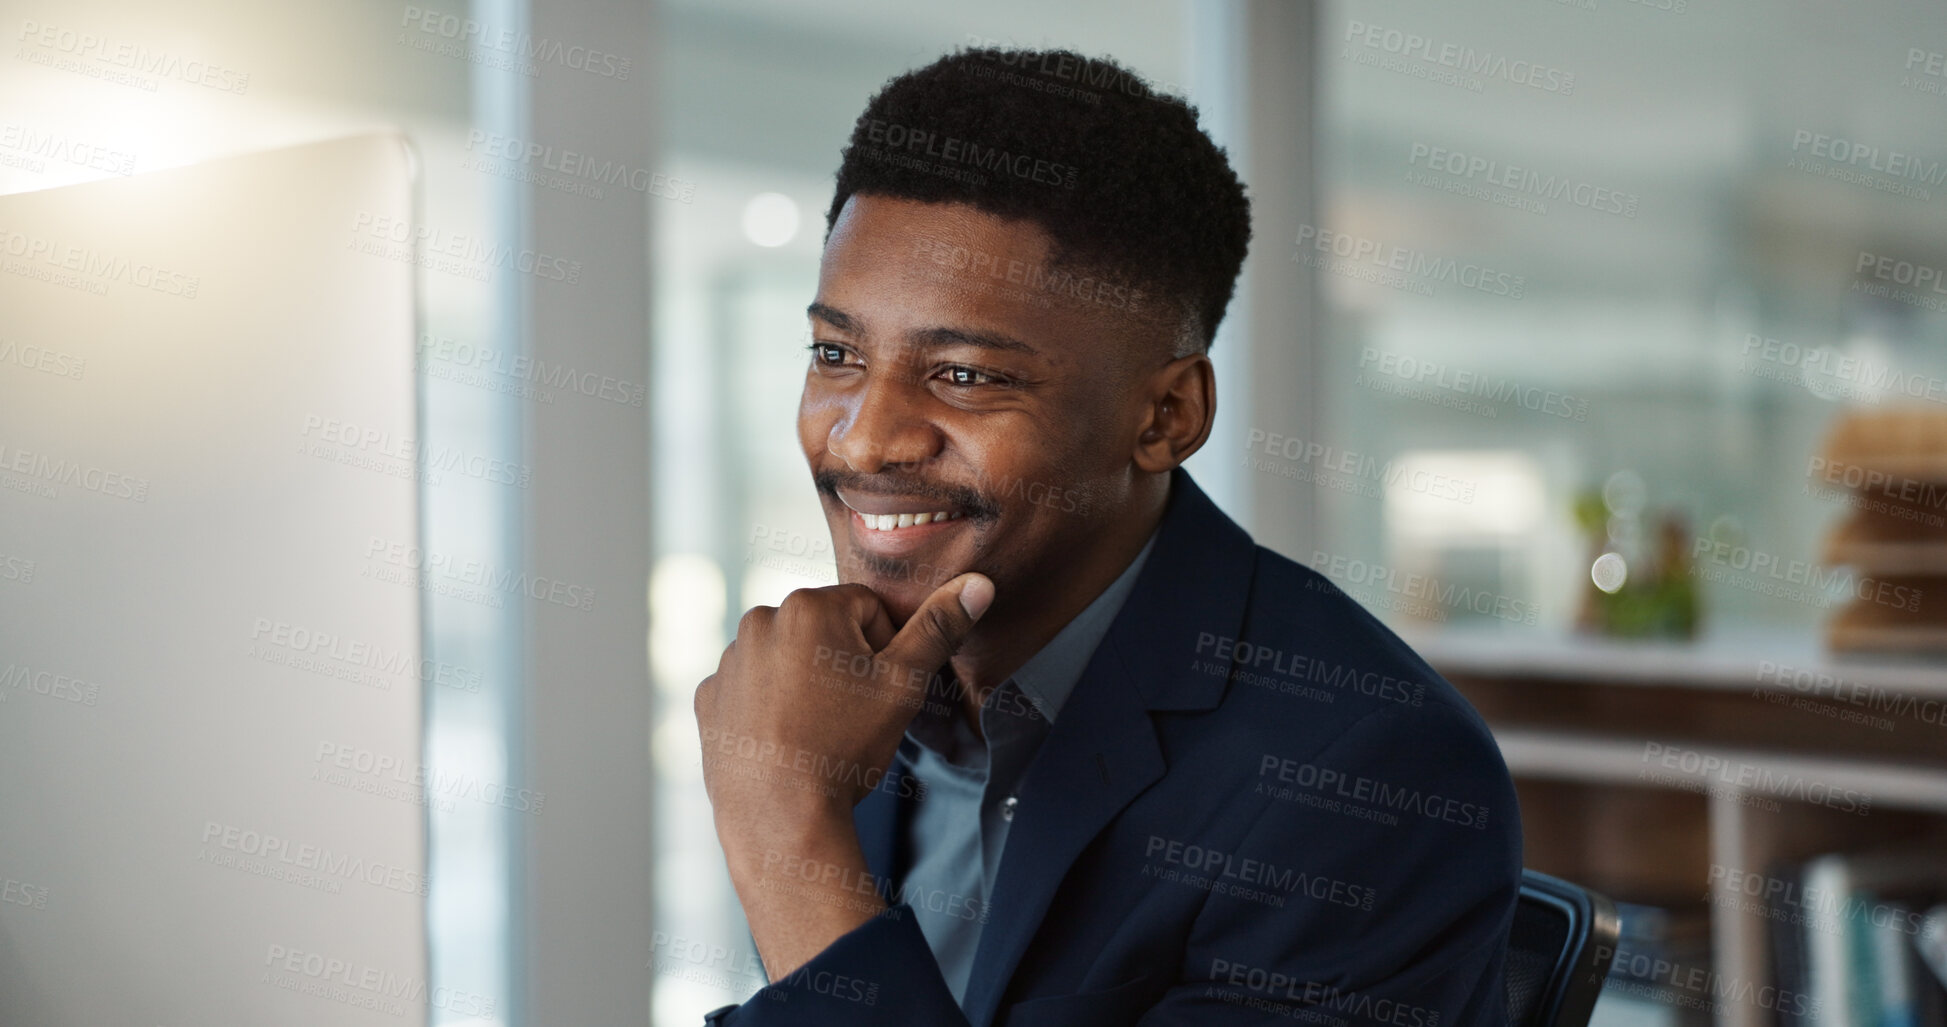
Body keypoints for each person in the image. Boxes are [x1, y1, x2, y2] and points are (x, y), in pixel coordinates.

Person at [692, 46, 1520, 1026]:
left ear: (1166, 415)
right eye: (837, 353)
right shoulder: (855, 683)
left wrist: (790, 840)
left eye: (963, 374)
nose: (866, 435)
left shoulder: (1372, 776)